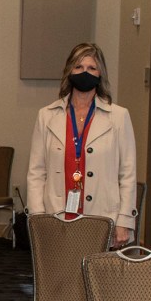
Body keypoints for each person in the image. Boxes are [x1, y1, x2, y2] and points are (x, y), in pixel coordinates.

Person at [26, 41, 137, 246]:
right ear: (69, 71)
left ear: (100, 74)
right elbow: (36, 171)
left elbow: (127, 173)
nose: (84, 72)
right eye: (78, 67)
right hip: (56, 215)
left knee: (96, 276)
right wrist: (37, 217)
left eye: (91, 68)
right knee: (59, 275)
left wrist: (125, 220)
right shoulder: (47, 116)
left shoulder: (119, 117)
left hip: (102, 216)